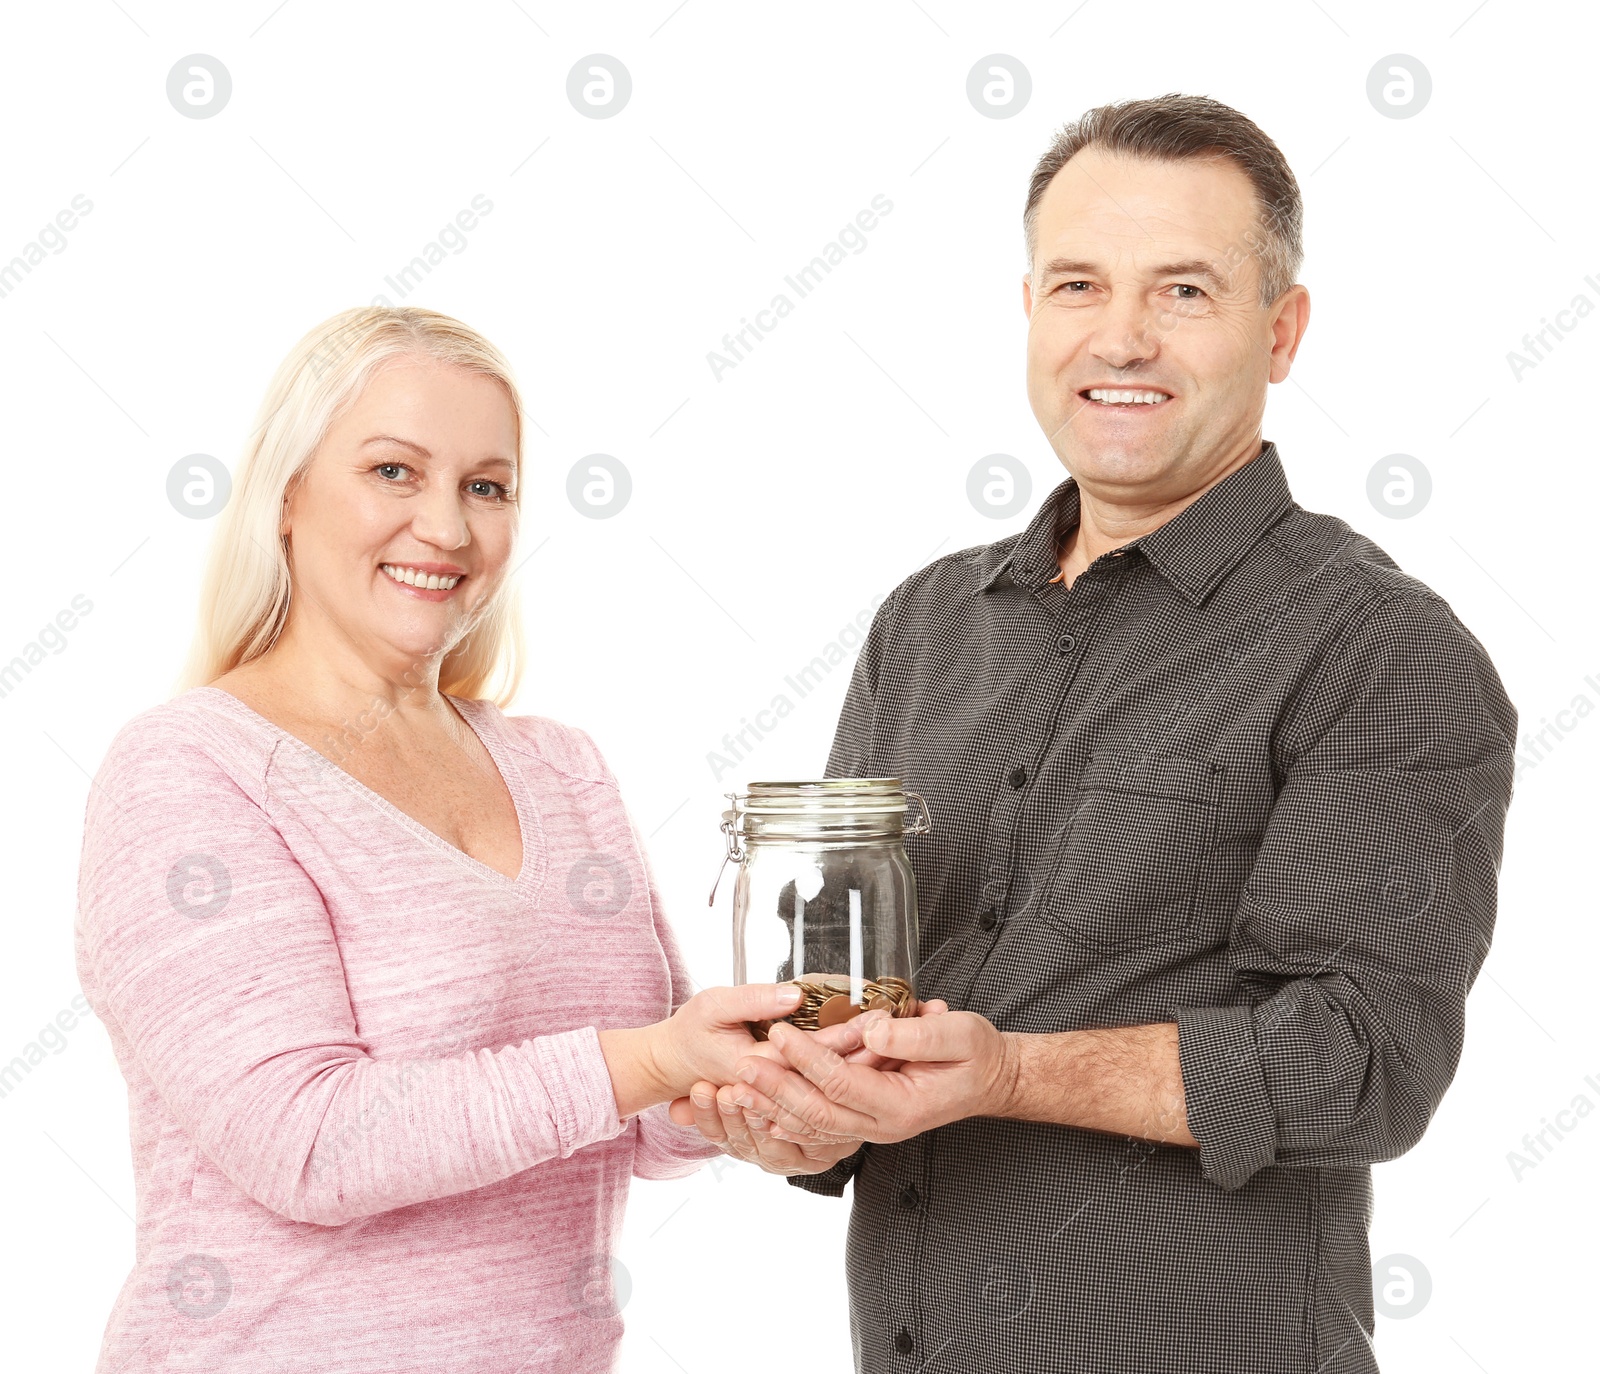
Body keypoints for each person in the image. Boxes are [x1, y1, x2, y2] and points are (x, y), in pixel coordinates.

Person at [678, 94, 1519, 1373]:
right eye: (1078, 283)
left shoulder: (1378, 651)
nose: (1118, 335)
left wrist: (1008, 1074)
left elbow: (1362, 1066)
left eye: (1183, 291)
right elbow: (840, 1002)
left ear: (1280, 331)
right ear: (1028, 310)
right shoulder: (925, 623)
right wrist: (802, 1119)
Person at [73, 306, 857, 1374]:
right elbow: (305, 1144)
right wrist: (652, 1061)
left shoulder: (558, 765)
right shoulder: (189, 770)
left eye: (485, 487)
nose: (445, 528)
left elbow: (640, 1107)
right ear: (287, 495)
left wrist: (758, 1095)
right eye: (394, 472)